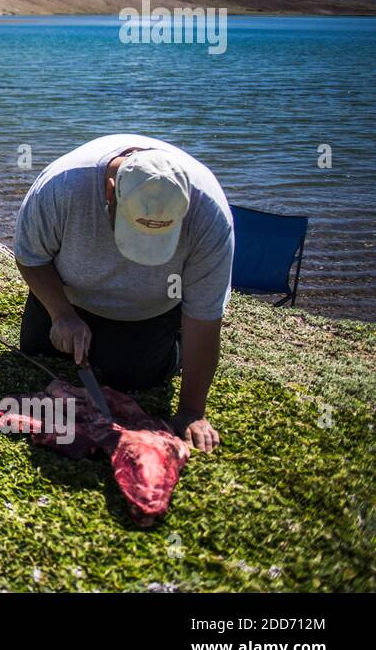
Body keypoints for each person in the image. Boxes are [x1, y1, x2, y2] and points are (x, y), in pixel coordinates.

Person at [13, 134, 234, 452]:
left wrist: (191, 412)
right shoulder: (61, 187)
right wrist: (61, 313)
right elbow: (31, 257)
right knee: (39, 352)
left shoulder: (209, 216)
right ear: (110, 190)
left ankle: (174, 347)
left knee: (133, 377)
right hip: (68, 294)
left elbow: (204, 315)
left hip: (150, 309)